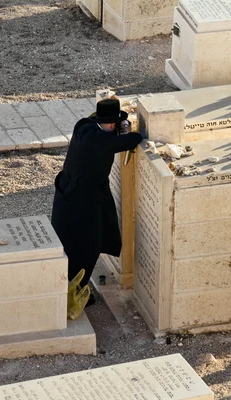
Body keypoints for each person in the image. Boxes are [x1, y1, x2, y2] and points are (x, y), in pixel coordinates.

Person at [51, 98, 143, 307]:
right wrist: (126, 129)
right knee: (87, 248)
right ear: (111, 124)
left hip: (68, 195)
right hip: (84, 203)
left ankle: (73, 287)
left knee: (71, 246)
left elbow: (109, 134)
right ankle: (76, 293)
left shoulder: (83, 126)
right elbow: (133, 139)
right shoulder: (101, 141)